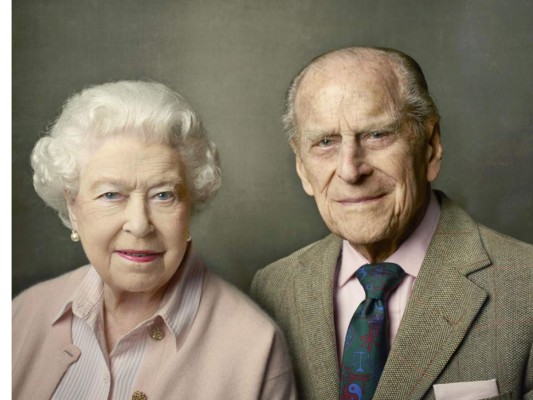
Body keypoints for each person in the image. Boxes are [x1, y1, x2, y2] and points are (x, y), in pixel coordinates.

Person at [251, 47, 533, 400]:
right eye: (325, 142)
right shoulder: (272, 290)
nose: (351, 170)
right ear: (301, 167)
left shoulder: (526, 288)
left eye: (377, 135)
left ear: (430, 146)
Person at [13, 81, 296, 400]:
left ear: (190, 205)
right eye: (111, 195)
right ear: (72, 207)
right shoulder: (22, 315)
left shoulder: (256, 348)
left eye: (163, 195)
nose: (139, 224)